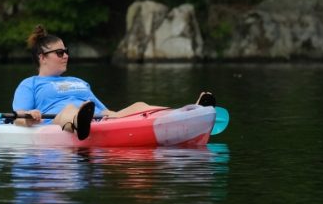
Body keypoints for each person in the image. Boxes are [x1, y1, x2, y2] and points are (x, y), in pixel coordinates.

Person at [12, 25, 215, 140]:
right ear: (42, 57)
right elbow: (17, 118)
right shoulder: (30, 84)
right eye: (59, 52)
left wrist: (121, 116)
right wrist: (29, 117)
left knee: (140, 105)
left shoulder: (78, 81)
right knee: (71, 109)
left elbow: (105, 111)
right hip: (60, 121)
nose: (65, 55)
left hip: (96, 120)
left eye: (66, 51)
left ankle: (188, 113)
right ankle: (78, 125)